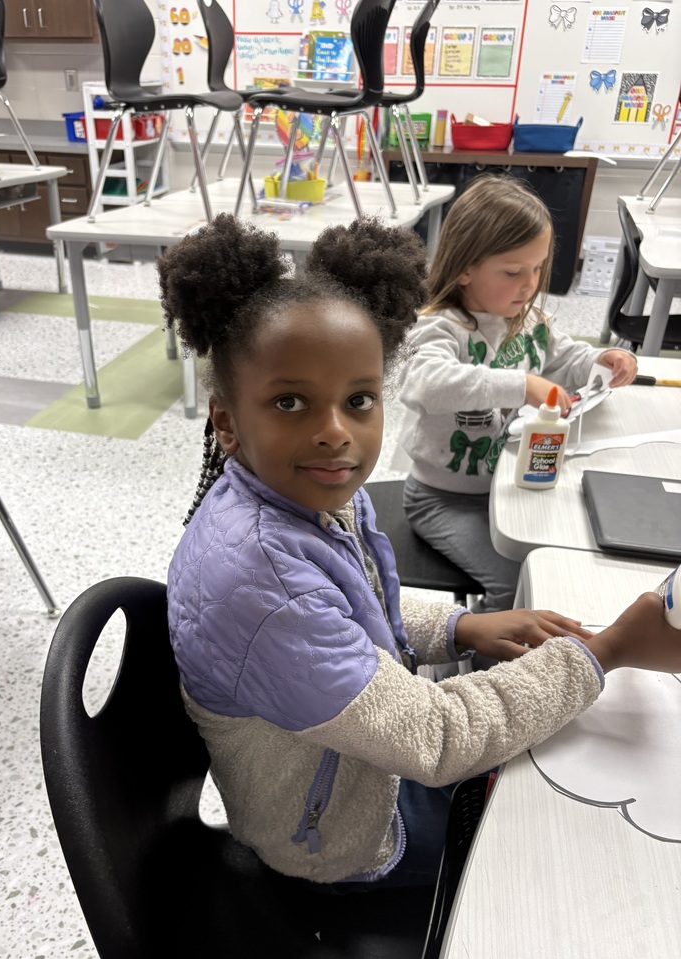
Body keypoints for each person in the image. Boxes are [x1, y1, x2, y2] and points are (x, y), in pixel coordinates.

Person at [158, 213, 679, 891]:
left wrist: (459, 626)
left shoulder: (304, 497)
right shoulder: (262, 584)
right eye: (290, 402)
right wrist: (605, 651)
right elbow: (436, 738)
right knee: (561, 857)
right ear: (225, 419)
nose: (335, 433)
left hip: (359, 769)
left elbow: (354, 604)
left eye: (360, 400)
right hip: (340, 846)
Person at [399, 175, 638, 616]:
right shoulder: (439, 325)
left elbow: (566, 357)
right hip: (442, 499)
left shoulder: (528, 318)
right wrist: (521, 385)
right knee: (511, 582)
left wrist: (605, 360)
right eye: (513, 272)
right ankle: (486, 670)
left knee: (562, 554)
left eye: (537, 268)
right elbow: (427, 382)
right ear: (465, 267)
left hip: (507, 484)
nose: (529, 285)